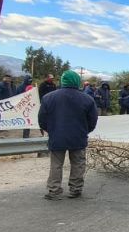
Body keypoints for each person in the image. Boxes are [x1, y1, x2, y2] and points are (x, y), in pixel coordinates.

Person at [38, 70, 98, 200]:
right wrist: (84, 130)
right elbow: (92, 121)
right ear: (77, 81)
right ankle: (75, 189)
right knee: (78, 163)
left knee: (56, 164)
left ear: (62, 81)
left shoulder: (48, 97)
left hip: (57, 136)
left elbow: (42, 119)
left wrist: (51, 130)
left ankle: (54, 190)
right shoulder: (87, 99)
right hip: (78, 136)